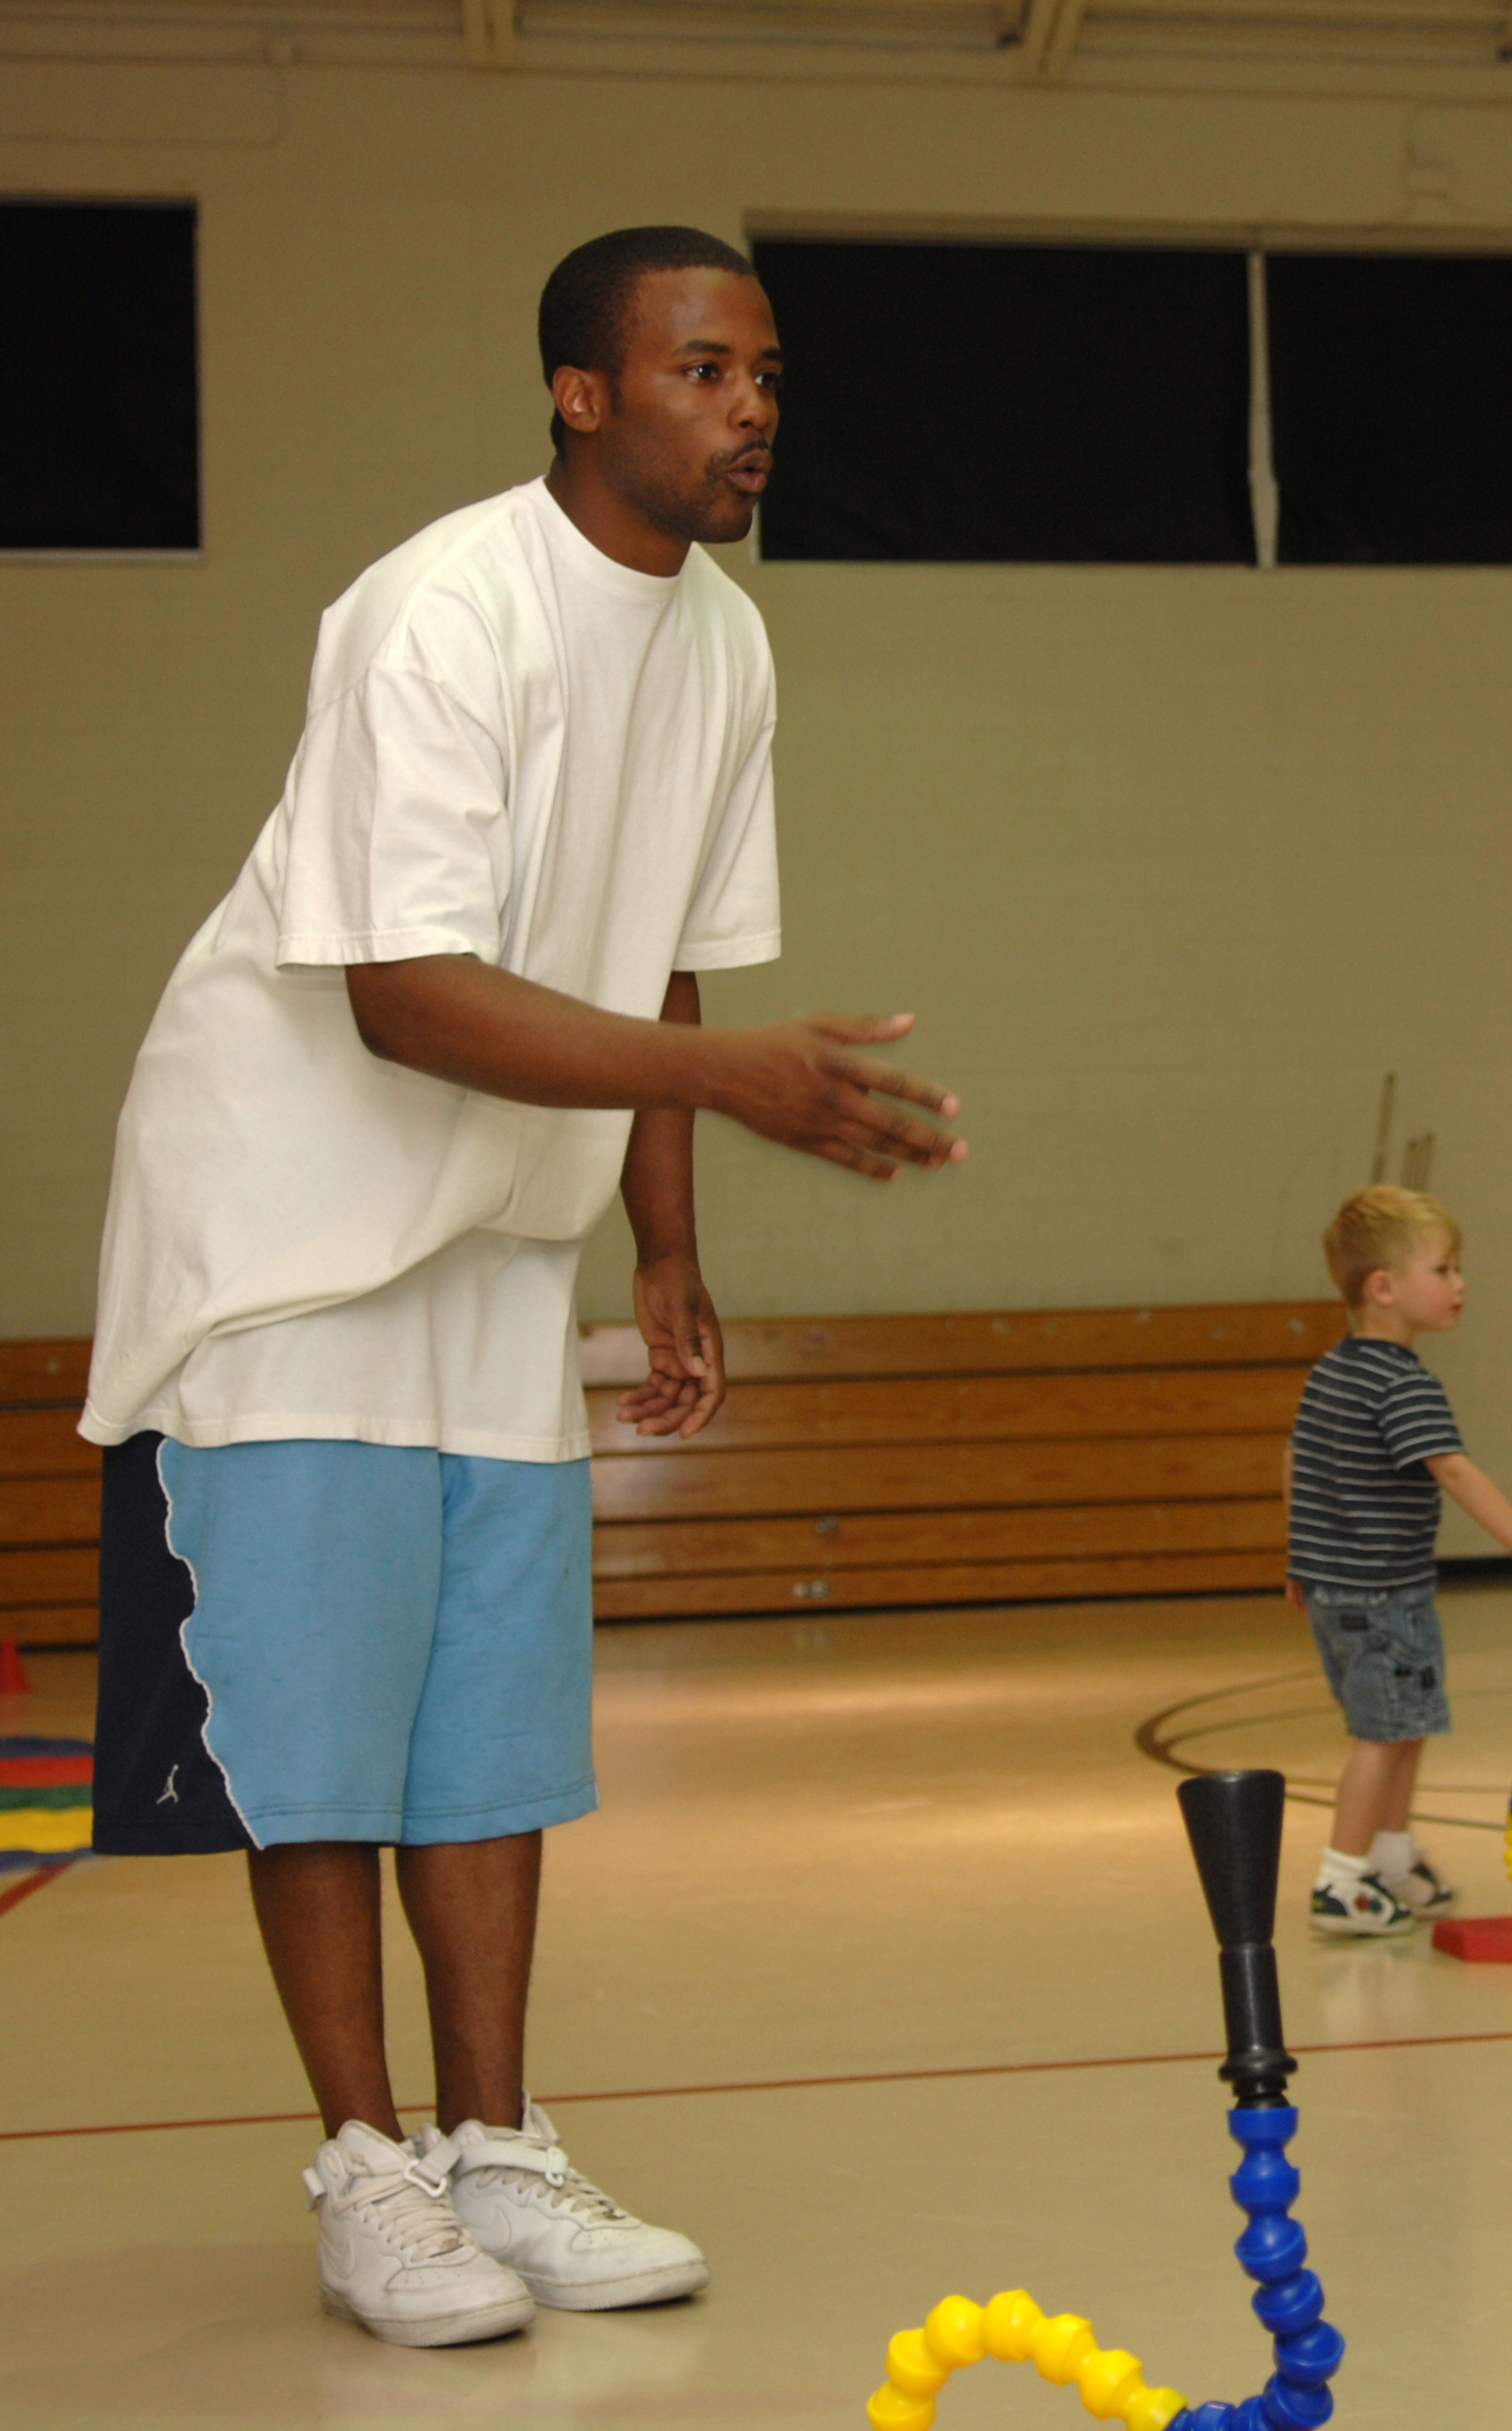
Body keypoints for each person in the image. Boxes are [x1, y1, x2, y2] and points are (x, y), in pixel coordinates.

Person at [81, 227, 969, 2348]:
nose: (751, 404)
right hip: (288, 1225)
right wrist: (724, 1085)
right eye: (700, 366)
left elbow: (659, 955)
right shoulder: (439, 610)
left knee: (486, 1720)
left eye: (765, 370)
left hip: (497, 1233)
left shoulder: (728, 647)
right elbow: (399, 992)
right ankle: (367, 2173)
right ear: (583, 393)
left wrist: (665, 1233)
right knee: (316, 1737)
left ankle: (497, 2145)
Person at [1286, 1187, 1512, 1935]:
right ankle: (1340, 1880)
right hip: (1382, 1598)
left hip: (1338, 1590)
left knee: (1402, 1725)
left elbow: (1301, 1468)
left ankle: (1388, 1857)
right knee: (1382, 1739)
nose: (1459, 1285)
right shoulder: (1402, 1383)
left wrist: (1302, 1562)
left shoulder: (1332, 1372)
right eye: (1443, 1269)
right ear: (1383, 1288)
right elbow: (1451, 1467)